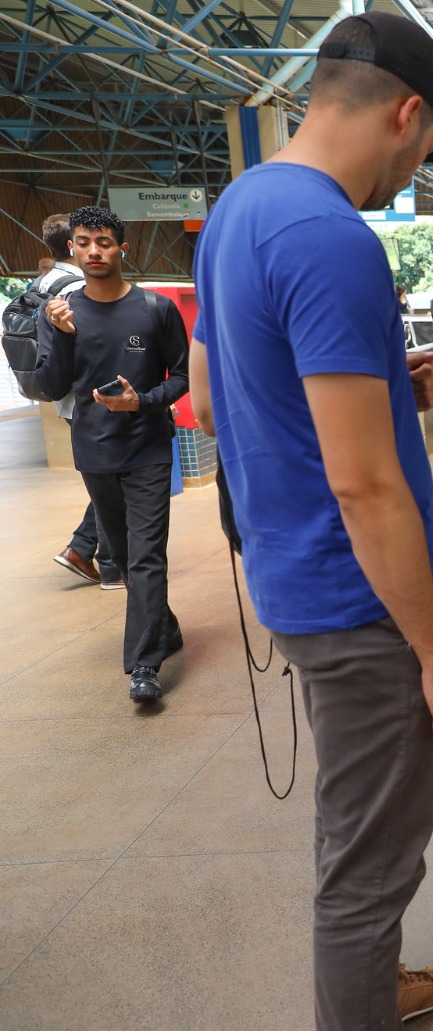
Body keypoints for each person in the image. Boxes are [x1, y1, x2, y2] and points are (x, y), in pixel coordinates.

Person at [186, 12, 433, 1031]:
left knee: (356, 824)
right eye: (426, 150)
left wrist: (369, 386)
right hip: (359, 605)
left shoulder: (239, 210)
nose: (410, 174)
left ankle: (377, 984)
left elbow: (217, 404)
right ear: (408, 113)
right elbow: (367, 490)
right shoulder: (327, 236)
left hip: (290, 579)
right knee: (367, 863)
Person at [34, 206, 187, 702]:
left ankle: (144, 666)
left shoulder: (156, 309)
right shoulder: (60, 311)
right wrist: (58, 335)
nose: (94, 251)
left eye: (104, 242)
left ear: (123, 248)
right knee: (119, 556)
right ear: (72, 249)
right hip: (94, 452)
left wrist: (140, 401)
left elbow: (184, 377)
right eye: (83, 242)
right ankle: (164, 627)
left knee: (145, 558)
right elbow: (51, 385)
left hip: (147, 449)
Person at [33, 212, 113, 588]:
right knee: (117, 481)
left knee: (108, 479)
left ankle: (87, 549)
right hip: (90, 398)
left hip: (62, 394)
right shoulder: (78, 286)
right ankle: (89, 552)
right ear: (73, 245)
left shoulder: (43, 281)